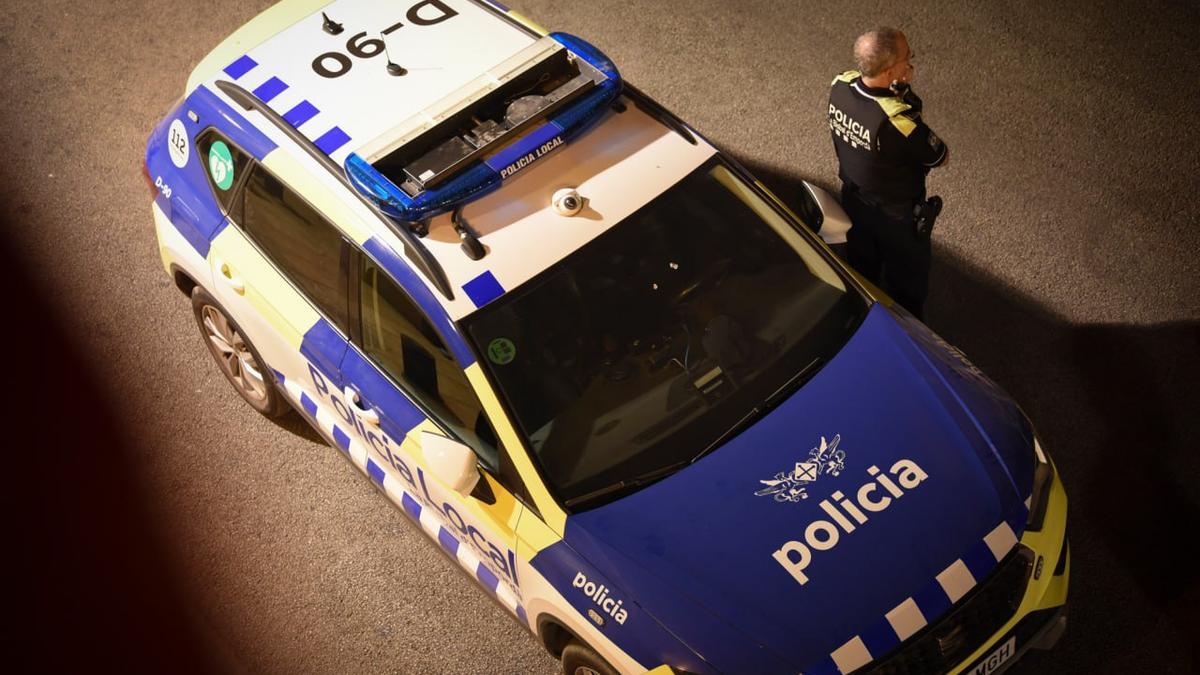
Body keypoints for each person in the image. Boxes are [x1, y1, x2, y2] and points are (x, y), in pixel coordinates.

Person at [827, 27, 948, 319]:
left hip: (854, 200)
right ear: (890, 71)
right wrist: (907, 100)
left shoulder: (840, 85)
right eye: (908, 57)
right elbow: (939, 156)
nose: (911, 62)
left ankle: (863, 315)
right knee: (907, 287)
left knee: (862, 270)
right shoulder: (897, 121)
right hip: (895, 217)